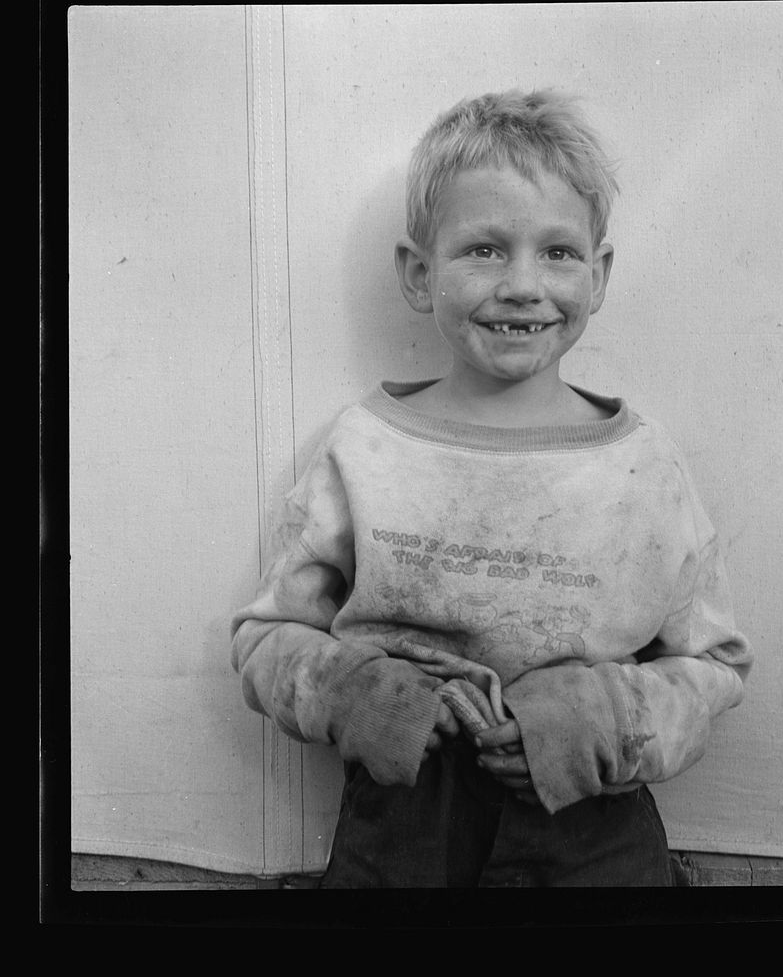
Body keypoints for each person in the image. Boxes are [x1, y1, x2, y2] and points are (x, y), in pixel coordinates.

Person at [230, 89, 753, 888]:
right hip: (403, 834)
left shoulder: (643, 465)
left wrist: (601, 724)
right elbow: (266, 638)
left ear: (599, 274)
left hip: (591, 836)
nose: (521, 284)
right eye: (483, 250)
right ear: (418, 271)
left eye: (558, 253)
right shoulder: (366, 448)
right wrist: (356, 696)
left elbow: (713, 665)